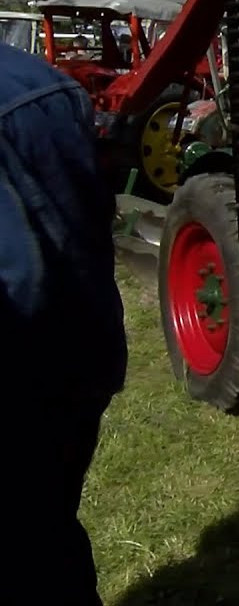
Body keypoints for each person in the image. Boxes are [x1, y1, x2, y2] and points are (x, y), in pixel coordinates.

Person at [1, 43, 128, 606]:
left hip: (25, 371)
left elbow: (16, 283)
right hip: (81, 353)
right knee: (49, 538)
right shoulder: (45, 82)